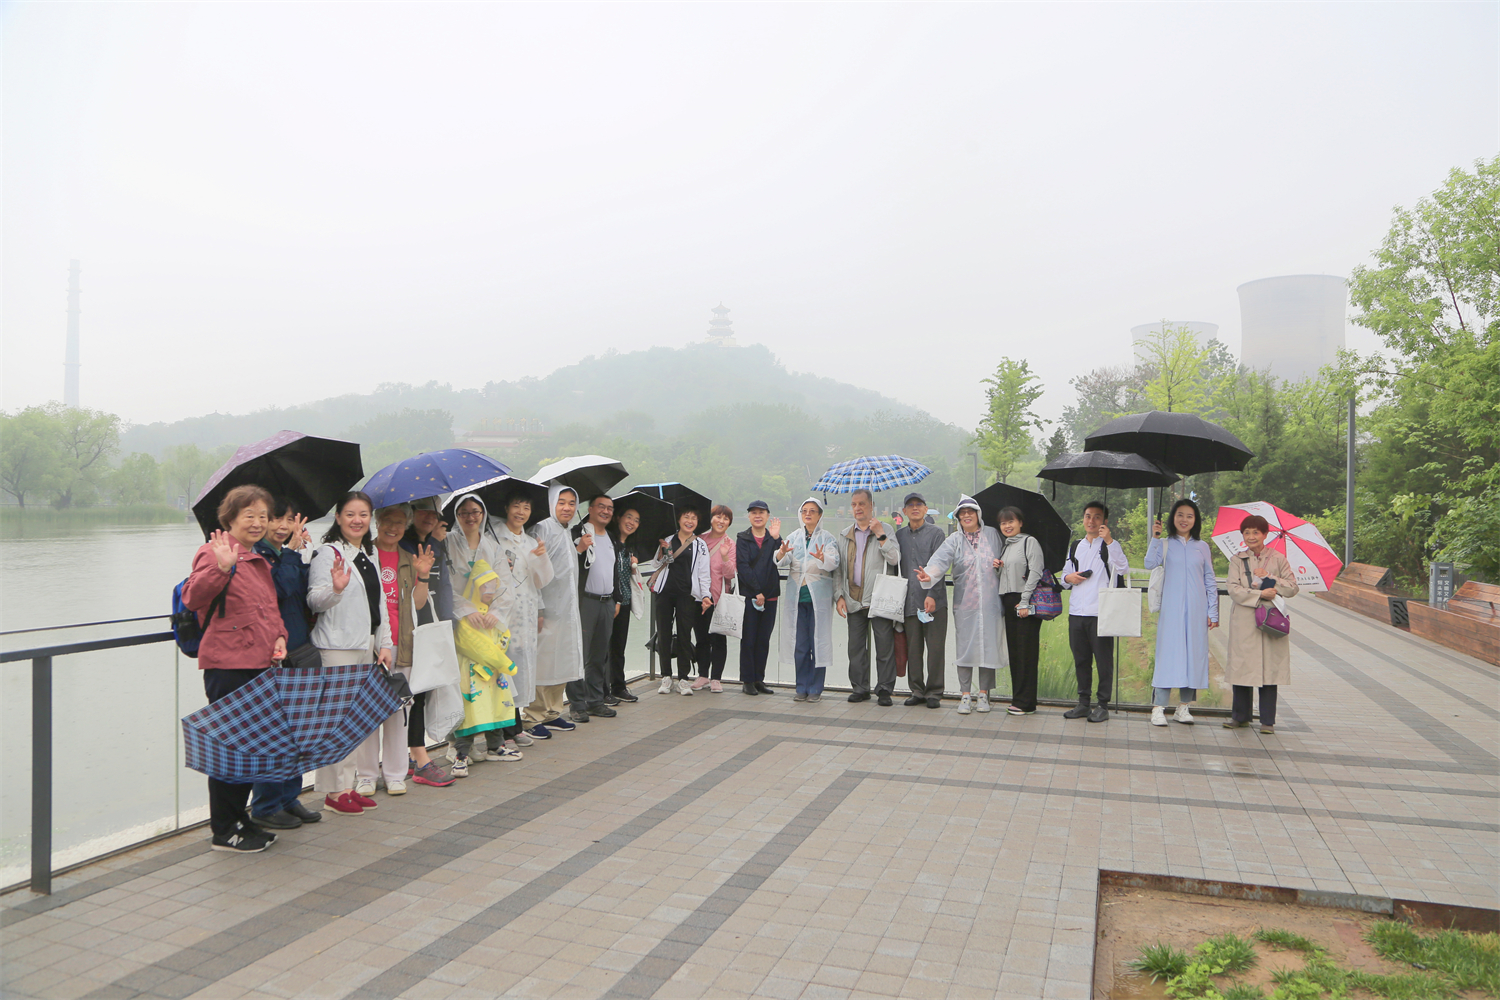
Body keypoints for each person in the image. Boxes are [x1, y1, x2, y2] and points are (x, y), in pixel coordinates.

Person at [183, 484, 288, 853]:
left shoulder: (256, 558)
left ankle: (240, 818)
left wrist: (280, 636)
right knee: (231, 749)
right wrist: (221, 568)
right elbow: (193, 597)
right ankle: (224, 830)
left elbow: (269, 608)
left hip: (259, 663)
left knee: (251, 747)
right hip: (228, 665)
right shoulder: (215, 551)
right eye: (249, 516)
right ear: (230, 518)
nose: (258, 522)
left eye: (263, 516)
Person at [308, 491, 394, 815]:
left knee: (354, 722)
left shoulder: (368, 553)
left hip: (365, 646)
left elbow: (380, 605)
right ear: (338, 518)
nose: (357, 520)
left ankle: (347, 786)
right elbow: (314, 600)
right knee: (335, 724)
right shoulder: (327, 554)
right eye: (350, 514)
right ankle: (333, 792)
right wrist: (335, 589)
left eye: (363, 515)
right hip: (337, 647)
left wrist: (384, 643)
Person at [248, 499, 321, 830]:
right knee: (273, 733)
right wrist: (291, 553)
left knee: (297, 732)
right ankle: (265, 805)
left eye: (289, 519)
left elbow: (304, 593)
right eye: (275, 518)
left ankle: (290, 798)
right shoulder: (257, 556)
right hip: (272, 657)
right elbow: (280, 588)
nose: (282, 525)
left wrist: (305, 555)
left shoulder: (284, 554)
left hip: (299, 649)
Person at [368, 504, 451, 789]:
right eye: (388, 521)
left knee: (399, 711)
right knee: (368, 712)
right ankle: (366, 776)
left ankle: (396, 773)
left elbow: (417, 603)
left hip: (403, 642)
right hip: (370, 644)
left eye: (399, 523)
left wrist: (423, 575)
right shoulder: (365, 555)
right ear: (377, 521)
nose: (393, 528)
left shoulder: (409, 557)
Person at [446, 495, 526, 769]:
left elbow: (505, 585)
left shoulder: (491, 546)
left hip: (488, 624)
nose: (471, 517)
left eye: (476, 512)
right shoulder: (448, 543)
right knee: (462, 689)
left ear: (483, 514)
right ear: (456, 515)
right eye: (464, 512)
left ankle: (495, 744)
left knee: (493, 688)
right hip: (460, 624)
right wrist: (466, 610)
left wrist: (496, 614)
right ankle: (457, 747)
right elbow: (445, 585)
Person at [474, 493, 553, 749]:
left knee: (519, 670)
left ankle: (515, 725)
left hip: (525, 615)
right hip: (500, 615)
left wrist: (541, 557)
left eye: (526, 507)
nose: (521, 512)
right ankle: (504, 730)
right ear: (506, 508)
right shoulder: (492, 537)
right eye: (516, 506)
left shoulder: (531, 541)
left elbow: (540, 582)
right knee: (501, 668)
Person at [915, 495, 1006, 716]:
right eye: (962, 513)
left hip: (990, 603)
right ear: (958, 517)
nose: (966, 515)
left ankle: (983, 694)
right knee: (965, 648)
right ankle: (965, 694)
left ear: (978, 514)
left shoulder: (993, 535)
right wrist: (929, 575)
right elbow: (940, 561)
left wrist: (1001, 565)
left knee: (988, 648)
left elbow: (1006, 557)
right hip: (965, 604)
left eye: (970, 512)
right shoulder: (954, 540)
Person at [1145, 499, 1219, 727]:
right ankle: (1158, 708)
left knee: (1193, 656)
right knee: (1168, 654)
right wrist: (1155, 538)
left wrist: (1213, 611)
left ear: (1195, 520)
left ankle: (1183, 707)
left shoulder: (1202, 546)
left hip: (1197, 610)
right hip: (1172, 609)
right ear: (1173, 518)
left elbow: (1209, 579)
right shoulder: (1165, 543)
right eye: (1180, 515)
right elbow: (1149, 563)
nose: (1184, 520)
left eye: (1189, 516)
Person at [1224, 513, 1299, 734]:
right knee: (1242, 667)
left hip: (1270, 620)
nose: (1251, 536)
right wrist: (1259, 594)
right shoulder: (1237, 560)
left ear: (1265, 534)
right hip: (1245, 620)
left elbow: (1292, 588)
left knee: (1269, 670)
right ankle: (1240, 717)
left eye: (1256, 532)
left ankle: (1267, 721)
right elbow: (1233, 589)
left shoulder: (1278, 559)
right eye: (1246, 532)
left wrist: (1271, 578)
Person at [1060, 499, 1129, 723]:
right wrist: (1069, 578)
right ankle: (1083, 703)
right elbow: (1064, 577)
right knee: (1081, 660)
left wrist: (1109, 540)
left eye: (1097, 517)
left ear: (1104, 521)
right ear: (1083, 519)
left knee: (1103, 661)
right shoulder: (1075, 546)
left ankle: (1103, 705)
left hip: (1101, 612)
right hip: (1077, 612)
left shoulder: (1109, 546)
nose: (1091, 520)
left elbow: (1123, 568)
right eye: (1088, 516)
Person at [834, 489, 901, 705]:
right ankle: (860, 688)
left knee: (884, 647)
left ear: (871, 505)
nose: (858, 508)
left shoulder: (885, 529)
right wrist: (839, 595)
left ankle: (884, 689)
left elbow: (894, 559)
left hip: (879, 598)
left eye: (862, 504)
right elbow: (838, 569)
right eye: (854, 504)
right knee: (855, 648)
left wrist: (880, 534)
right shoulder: (845, 534)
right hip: (853, 598)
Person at [528, 484, 585, 731]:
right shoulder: (542, 528)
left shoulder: (566, 530)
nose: (567, 508)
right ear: (552, 503)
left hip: (566, 609)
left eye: (572, 503)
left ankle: (552, 712)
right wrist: (539, 609)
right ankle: (532, 716)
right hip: (547, 609)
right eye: (561, 502)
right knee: (542, 662)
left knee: (561, 660)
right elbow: (533, 571)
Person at [777, 498, 840, 702]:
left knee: (818, 643)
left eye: (813, 511)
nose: (808, 514)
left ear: (820, 515)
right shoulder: (794, 537)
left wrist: (822, 558)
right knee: (801, 645)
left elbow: (834, 562)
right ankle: (801, 687)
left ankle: (815, 689)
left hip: (818, 600)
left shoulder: (828, 538)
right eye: (805, 510)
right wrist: (781, 553)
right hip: (797, 600)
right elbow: (782, 559)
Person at [650, 507, 711, 695]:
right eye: (686, 517)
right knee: (664, 634)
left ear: (697, 523)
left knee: (685, 635)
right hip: (664, 593)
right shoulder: (667, 540)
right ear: (679, 519)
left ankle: (683, 679)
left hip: (687, 595)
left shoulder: (700, 545)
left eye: (694, 518)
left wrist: (706, 595)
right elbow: (655, 564)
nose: (690, 521)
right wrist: (661, 553)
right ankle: (666, 677)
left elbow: (704, 573)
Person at [896, 493, 947, 709]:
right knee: (913, 649)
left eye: (919, 505)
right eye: (910, 505)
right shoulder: (899, 536)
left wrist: (932, 594)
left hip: (934, 602)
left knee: (935, 649)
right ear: (904, 511)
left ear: (926, 509)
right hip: (910, 600)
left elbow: (941, 566)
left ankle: (934, 692)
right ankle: (916, 690)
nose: (915, 508)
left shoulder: (937, 534)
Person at [571, 494, 620, 718]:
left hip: (606, 603)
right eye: (601, 506)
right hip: (585, 602)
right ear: (590, 509)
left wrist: (616, 599)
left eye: (610, 508)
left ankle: (595, 701)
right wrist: (579, 548)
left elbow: (614, 570)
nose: (606, 511)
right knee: (579, 655)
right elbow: (566, 565)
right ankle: (577, 705)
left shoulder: (611, 537)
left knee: (599, 656)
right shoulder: (577, 533)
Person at [996, 505, 1045, 717]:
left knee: (1026, 652)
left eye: (1011, 521)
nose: (1007, 526)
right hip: (1009, 601)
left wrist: (1024, 601)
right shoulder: (1006, 546)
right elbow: (1006, 577)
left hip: (1024, 601)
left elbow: (1036, 572)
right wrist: (998, 568)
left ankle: (1026, 703)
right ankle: (1018, 699)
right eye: (1003, 523)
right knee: (1015, 652)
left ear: (1020, 523)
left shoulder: (1029, 542)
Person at [736, 500, 781, 696]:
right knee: (748, 639)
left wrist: (777, 538)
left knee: (763, 640)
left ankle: (758, 679)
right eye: (753, 512)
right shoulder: (743, 538)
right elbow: (743, 567)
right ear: (749, 516)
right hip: (749, 596)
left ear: (768, 516)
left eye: (761, 512)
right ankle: (747, 680)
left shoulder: (773, 538)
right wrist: (756, 591)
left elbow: (781, 558)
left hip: (770, 596)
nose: (757, 516)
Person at [692, 505, 738, 692]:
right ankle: (703, 675)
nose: (721, 521)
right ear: (710, 519)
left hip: (719, 598)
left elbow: (730, 574)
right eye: (718, 517)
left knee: (718, 639)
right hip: (699, 597)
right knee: (701, 637)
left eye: (726, 519)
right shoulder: (699, 539)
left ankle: (716, 678)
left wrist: (725, 556)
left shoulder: (730, 543)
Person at [606, 502, 643, 702]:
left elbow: (626, 576)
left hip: (625, 601)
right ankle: (601, 691)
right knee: (603, 648)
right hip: (609, 601)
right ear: (618, 518)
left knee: (619, 648)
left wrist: (633, 565)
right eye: (629, 517)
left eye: (636, 520)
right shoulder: (608, 542)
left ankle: (618, 687)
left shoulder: (629, 548)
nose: (632, 522)